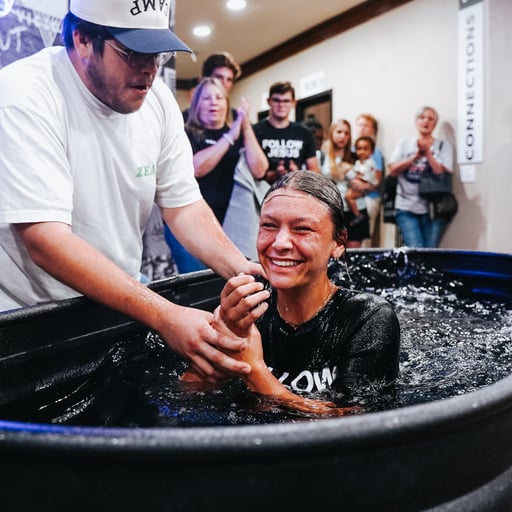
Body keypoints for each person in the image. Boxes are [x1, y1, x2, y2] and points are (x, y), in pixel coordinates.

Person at [0, 0, 264, 382]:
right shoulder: (24, 95)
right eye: (133, 53)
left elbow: (184, 206)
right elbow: (45, 239)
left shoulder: (158, 101)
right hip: (30, 320)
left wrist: (241, 268)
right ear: (83, 40)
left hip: (118, 304)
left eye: (158, 55)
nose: (150, 70)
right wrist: (165, 315)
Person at [185, 172, 400, 399]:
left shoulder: (367, 317)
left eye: (302, 229)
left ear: (338, 243)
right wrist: (224, 342)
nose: (280, 243)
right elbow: (188, 396)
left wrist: (254, 370)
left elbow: (352, 417)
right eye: (269, 225)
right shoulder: (247, 312)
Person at [164, 77, 267, 272]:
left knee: (234, 279)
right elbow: (196, 168)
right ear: (196, 104)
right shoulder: (186, 133)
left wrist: (245, 126)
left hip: (233, 223)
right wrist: (229, 137)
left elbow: (260, 169)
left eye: (219, 98)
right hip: (191, 223)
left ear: (227, 103)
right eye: (207, 98)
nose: (213, 103)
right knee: (199, 281)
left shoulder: (239, 131)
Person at [388, 106, 454, 247]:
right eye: (422, 117)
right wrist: (415, 157)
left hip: (434, 209)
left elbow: (442, 174)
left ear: (435, 124)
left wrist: (428, 154)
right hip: (406, 207)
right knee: (416, 249)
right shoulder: (404, 143)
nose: (426, 121)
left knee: (430, 250)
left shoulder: (443, 146)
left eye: (430, 119)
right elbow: (393, 170)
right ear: (416, 121)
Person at [253, 81, 320, 184]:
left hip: (294, 189)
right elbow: (249, 172)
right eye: (276, 100)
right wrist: (274, 174)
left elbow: (314, 171)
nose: (281, 105)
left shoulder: (304, 133)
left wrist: (297, 174)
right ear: (269, 101)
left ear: (294, 103)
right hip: (261, 191)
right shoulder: (255, 131)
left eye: (286, 101)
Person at [321, 119, 370, 248]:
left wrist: (363, 185)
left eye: (346, 133)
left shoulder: (355, 157)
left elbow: (370, 182)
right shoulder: (322, 156)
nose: (342, 136)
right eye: (339, 132)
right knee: (332, 252)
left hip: (356, 210)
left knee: (353, 254)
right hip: (332, 209)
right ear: (332, 133)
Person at [182, 51, 241, 123]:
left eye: (229, 79)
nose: (224, 83)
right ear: (204, 79)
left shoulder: (236, 117)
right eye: (219, 77)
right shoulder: (184, 118)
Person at [353, 113, 384, 246]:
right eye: (360, 125)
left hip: (369, 197)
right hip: (352, 198)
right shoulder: (350, 149)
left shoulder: (374, 152)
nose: (362, 128)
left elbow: (377, 178)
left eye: (366, 125)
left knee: (364, 237)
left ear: (373, 130)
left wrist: (362, 185)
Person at [344, 136, 379, 226]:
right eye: (359, 148)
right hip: (358, 185)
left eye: (365, 149)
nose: (362, 151)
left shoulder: (370, 163)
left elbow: (365, 176)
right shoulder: (358, 162)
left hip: (366, 185)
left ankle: (357, 215)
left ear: (371, 151)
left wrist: (356, 176)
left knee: (348, 196)